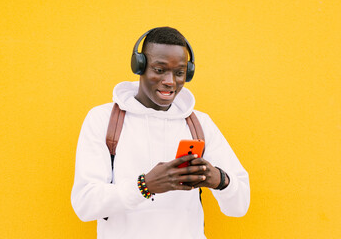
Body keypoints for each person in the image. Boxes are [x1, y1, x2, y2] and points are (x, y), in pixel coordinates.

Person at [71, 27, 250, 239]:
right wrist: (144, 186)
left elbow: (239, 207)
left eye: (179, 72)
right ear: (139, 66)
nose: (170, 81)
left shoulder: (199, 123)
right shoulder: (102, 119)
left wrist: (220, 180)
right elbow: (85, 204)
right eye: (159, 69)